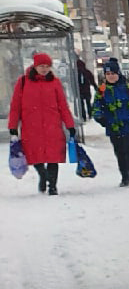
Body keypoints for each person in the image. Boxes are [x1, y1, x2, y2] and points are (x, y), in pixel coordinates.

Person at [8, 52, 77, 196]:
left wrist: (70, 125)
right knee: (35, 156)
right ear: (35, 66)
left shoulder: (55, 82)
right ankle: (43, 175)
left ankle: (52, 186)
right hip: (31, 127)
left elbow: (63, 106)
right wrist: (13, 127)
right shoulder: (23, 82)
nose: (44, 69)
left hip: (53, 126)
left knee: (54, 157)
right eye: (41, 66)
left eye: (47, 66)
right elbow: (15, 107)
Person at [93, 58, 129, 187]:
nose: (111, 77)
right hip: (113, 126)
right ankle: (125, 177)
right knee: (120, 152)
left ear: (118, 74)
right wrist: (100, 118)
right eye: (108, 74)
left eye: (113, 73)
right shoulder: (102, 91)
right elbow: (96, 107)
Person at [75, 56, 95, 122]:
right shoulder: (87, 72)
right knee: (88, 103)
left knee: (81, 104)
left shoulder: (75, 73)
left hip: (80, 91)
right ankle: (90, 114)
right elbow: (92, 80)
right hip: (86, 90)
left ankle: (83, 116)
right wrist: (95, 87)